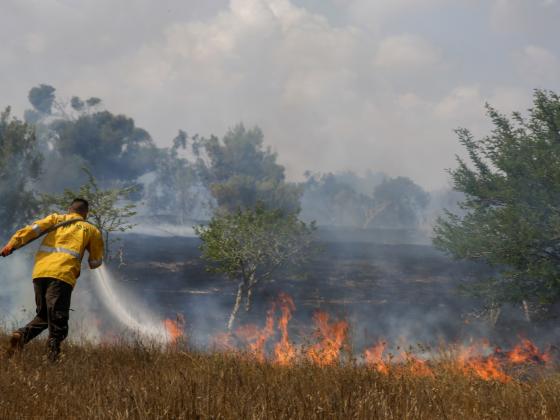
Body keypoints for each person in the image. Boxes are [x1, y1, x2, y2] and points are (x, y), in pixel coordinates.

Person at [1, 198, 104, 361]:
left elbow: (31, 230)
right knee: (59, 320)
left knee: (44, 316)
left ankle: (20, 336)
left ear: (69, 210)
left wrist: (11, 245)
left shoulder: (55, 219)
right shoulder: (91, 230)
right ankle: (52, 359)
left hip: (40, 274)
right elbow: (95, 263)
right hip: (62, 276)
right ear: (86, 213)